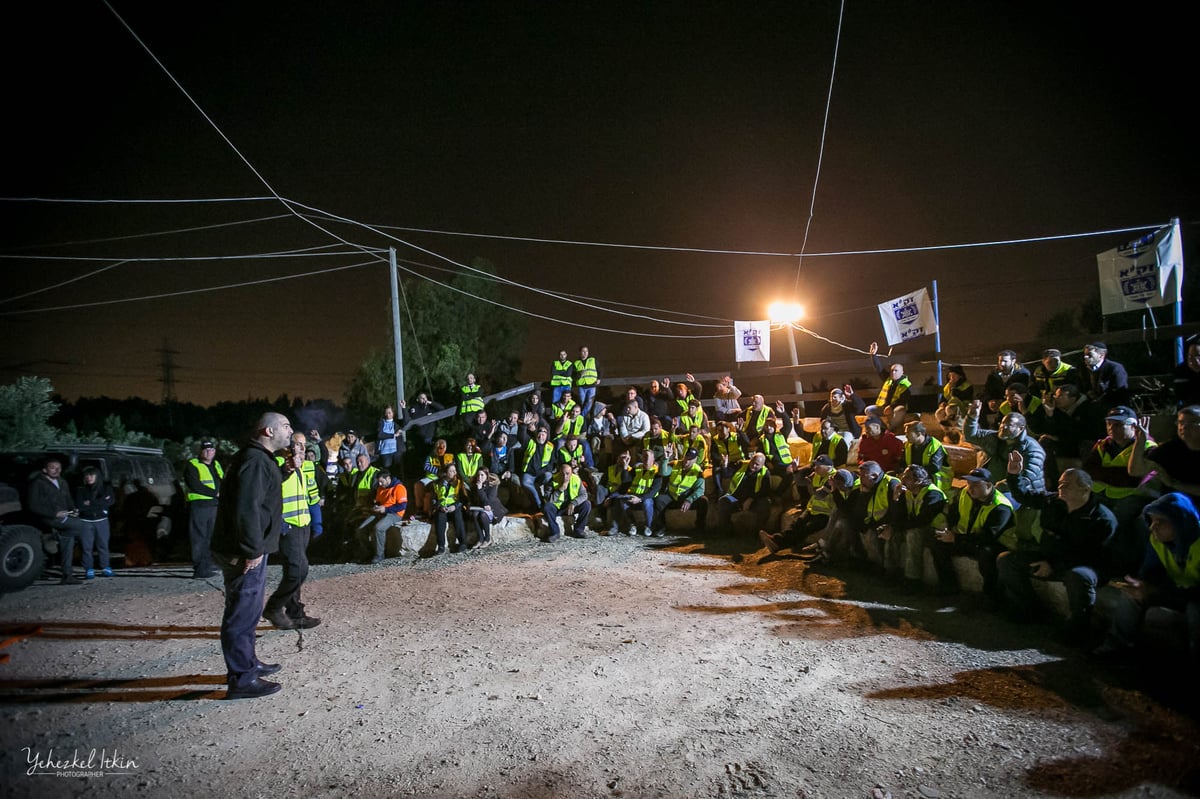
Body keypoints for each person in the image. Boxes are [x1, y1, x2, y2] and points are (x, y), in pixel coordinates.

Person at [210, 412, 293, 700]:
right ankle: (242, 679)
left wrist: (286, 471)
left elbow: (261, 492)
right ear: (267, 431)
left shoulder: (257, 459)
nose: (290, 431)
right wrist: (252, 549)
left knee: (249, 611)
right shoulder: (255, 460)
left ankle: (248, 664)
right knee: (241, 614)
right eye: (285, 426)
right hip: (243, 551)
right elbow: (247, 509)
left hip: (247, 548)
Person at [999, 455, 1117, 638]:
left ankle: (1078, 629)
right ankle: (1029, 609)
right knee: (1007, 560)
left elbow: (1090, 554)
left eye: (1067, 485)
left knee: (1079, 576)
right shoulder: (1055, 502)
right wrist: (1014, 475)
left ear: (1085, 488)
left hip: (1084, 564)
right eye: (1061, 483)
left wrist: (1054, 565)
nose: (1061, 488)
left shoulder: (1101, 519)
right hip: (1050, 557)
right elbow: (1026, 497)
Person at [1093, 492, 1200, 665]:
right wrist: (1142, 585)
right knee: (1131, 595)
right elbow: (1150, 572)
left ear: (1181, 521)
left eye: (1161, 522)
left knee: (1196, 611)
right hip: (1175, 591)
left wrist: (1159, 590)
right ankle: (1116, 648)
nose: (1152, 527)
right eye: (1151, 520)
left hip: (1194, 596)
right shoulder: (1158, 540)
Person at [1083, 405, 1157, 576]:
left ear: (1133, 426)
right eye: (1109, 424)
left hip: (1135, 496)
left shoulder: (1147, 446)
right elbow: (1089, 469)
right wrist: (1118, 475)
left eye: (1117, 425)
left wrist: (1104, 474)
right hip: (1104, 494)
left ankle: (1120, 568)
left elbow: (1133, 479)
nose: (1111, 429)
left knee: (1117, 520)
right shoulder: (1103, 445)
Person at [263, 432, 322, 631]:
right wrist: (287, 466)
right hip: (287, 525)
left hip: (303, 523)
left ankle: (295, 614)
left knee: (294, 570)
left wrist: (316, 522)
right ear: (289, 445)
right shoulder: (279, 462)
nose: (302, 448)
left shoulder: (307, 466)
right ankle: (275, 607)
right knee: (298, 569)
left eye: (304, 445)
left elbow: (311, 496)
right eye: (297, 444)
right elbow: (271, 486)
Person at [930, 468, 1015, 602]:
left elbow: (987, 537)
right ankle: (948, 586)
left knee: (987, 555)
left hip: (993, 544)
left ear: (988, 485)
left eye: (975, 485)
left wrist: (956, 538)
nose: (970, 488)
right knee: (938, 544)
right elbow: (953, 512)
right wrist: (949, 528)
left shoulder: (1000, 507)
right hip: (967, 539)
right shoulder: (965, 493)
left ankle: (992, 597)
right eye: (969, 484)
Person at [27, 456, 90, 584]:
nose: (56, 471)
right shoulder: (38, 483)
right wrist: (54, 514)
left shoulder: (62, 482)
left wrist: (74, 510)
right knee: (85, 526)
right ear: (45, 470)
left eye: (59, 468)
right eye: (53, 468)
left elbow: (68, 500)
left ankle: (67, 575)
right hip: (49, 518)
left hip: (65, 517)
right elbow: (32, 505)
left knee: (68, 542)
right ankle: (53, 537)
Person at [963, 400, 1046, 494]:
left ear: (1021, 428)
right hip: (991, 487)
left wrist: (997, 488)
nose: (1003, 427)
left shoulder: (1032, 448)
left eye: (1009, 425)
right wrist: (972, 418)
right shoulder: (995, 437)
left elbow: (1027, 477)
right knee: (966, 494)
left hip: (1021, 493)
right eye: (1002, 423)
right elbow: (971, 436)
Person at [761, 454, 837, 555]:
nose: (815, 468)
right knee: (797, 524)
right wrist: (796, 470)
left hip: (826, 514)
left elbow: (820, 494)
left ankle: (778, 543)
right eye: (815, 465)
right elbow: (800, 483)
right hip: (813, 509)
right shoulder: (817, 474)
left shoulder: (833, 478)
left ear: (829, 467)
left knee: (806, 529)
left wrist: (810, 486)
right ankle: (776, 540)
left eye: (819, 466)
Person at [891, 464, 948, 592]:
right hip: (916, 526)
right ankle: (891, 572)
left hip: (936, 531)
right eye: (903, 475)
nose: (903, 479)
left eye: (908, 477)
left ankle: (913, 580)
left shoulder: (933, 494)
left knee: (913, 534)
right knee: (892, 531)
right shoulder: (908, 493)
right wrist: (896, 499)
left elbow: (923, 520)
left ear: (919, 481)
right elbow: (898, 517)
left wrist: (901, 525)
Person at [1131, 405, 1200, 506]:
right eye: (1181, 423)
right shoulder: (1170, 449)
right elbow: (1135, 471)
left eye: (1192, 423)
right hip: (1171, 507)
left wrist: (1174, 484)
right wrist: (1140, 442)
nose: (1184, 427)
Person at [184, 439, 223, 579]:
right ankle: (199, 568)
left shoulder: (216, 465)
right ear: (200, 452)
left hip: (214, 505)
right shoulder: (192, 465)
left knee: (210, 537)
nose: (209, 452)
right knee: (199, 537)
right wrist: (216, 493)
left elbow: (221, 481)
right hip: (199, 505)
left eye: (211, 450)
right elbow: (195, 484)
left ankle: (208, 564)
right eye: (205, 450)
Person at [652, 448, 708, 536]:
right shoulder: (675, 464)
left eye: (690, 459)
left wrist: (689, 500)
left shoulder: (698, 471)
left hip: (685, 499)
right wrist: (666, 458)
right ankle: (661, 527)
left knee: (703, 501)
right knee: (659, 500)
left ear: (695, 460)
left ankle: (699, 529)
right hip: (672, 497)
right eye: (686, 457)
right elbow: (663, 473)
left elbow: (700, 490)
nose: (687, 461)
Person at [716, 453, 772, 537]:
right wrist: (724, 466)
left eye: (757, 464)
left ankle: (758, 534)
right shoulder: (741, 464)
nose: (753, 465)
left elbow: (765, 491)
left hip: (754, 501)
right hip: (735, 498)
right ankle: (727, 533)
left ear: (762, 465)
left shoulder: (765, 473)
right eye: (753, 462)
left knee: (765, 503)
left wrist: (751, 499)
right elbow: (727, 475)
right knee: (723, 502)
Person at [73, 465, 114, 579]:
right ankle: (89, 569)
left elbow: (110, 502)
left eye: (91, 475)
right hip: (85, 521)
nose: (89, 477)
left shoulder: (106, 488)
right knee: (86, 547)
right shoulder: (81, 490)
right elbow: (80, 506)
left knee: (103, 545)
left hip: (102, 520)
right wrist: (99, 503)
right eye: (87, 475)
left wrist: (90, 503)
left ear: (97, 476)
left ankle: (105, 567)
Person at [614, 449, 663, 537]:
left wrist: (640, 499)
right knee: (622, 501)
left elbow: (653, 491)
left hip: (648, 498)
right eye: (644, 456)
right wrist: (625, 467)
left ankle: (649, 526)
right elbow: (626, 482)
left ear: (653, 459)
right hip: (634, 495)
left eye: (647, 457)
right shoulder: (637, 469)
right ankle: (632, 524)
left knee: (647, 502)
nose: (645, 459)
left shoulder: (657, 472)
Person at [363, 469, 408, 563]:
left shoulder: (399, 488)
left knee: (379, 528)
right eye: (378, 481)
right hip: (381, 511)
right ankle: (367, 552)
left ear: (388, 479)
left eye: (381, 481)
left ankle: (380, 555)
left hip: (395, 514)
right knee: (361, 529)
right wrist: (376, 506)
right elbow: (379, 501)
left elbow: (402, 506)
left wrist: (386, 509)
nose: (380, 484)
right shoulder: (380, 488)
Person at [543, 462, 593, 541]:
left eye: (567, 474)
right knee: (547, 507)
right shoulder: (552, 480)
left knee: (587, 504)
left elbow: (584, 495)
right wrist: (560, 489)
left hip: (571, 507)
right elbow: (549, 499)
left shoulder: (576, 479)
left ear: (571, 473)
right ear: (559, 472)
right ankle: (555, 532)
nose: (565, 476)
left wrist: (574, 503)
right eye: (562, 474)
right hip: (557, 507)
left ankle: (579, 530)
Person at [902, 420, 952, 494]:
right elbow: (903, 462)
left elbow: (934, 468)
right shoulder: (908, 445)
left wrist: (913, 476)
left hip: (936, 483)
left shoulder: (935, 446)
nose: (906, 436)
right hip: (915, 479)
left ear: (919, 434)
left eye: (908, 433)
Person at [597, 449, 635, 534]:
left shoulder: (630, 471)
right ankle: (601, 514)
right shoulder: (611, 468)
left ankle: (614, 526)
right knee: (599, 488)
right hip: (609, 491)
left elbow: (624, 489)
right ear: (617, 458)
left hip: (620, 493)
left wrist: (611, 497)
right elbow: (603, 483)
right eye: (622, 457)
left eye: (626, 458)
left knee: (617, 499)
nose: (623, 460)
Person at [432, 462, 467, 554]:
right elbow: (434, 499)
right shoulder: (436, 484)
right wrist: (440, 507)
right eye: (451, 471)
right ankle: (441, 546)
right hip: (442, 508)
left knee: (458, 516)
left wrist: (454, 506)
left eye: (455, 471)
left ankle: (462, 543)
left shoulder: (459, 482)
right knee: (439, 518)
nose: (454, 473)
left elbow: (464, 499)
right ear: (445, 473)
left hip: (455, 507)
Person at [1082, 342, 1131, 408]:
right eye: (1085, 354)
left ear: (1101, 355)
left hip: (1112, 406)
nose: (1085, 357)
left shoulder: (1115, 368)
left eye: (1090, 355)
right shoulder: (1082, 368)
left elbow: (1120, 392)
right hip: (1090, 406)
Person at [868, 342, 911, 416]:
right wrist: (873, 355)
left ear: (902, 372)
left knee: (898, 411)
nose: (893, 372)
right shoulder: (888, 379)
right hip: (883, 408)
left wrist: (891, 407)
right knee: (869, 410)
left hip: (896, 410)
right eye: (892, 370)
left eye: (896, 370)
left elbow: (903, 400)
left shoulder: (905, 384)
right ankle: (881, 425)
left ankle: (889, 427)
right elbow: (879, 369)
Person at [465, 469, 506, 548]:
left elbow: (488, 502)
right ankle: (480, 539)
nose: (479, 477)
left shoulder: (492, 486)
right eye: (478, 475)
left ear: (487, 476)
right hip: (480, 508)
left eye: (482, 475)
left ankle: (487, 538)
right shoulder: (475, 486)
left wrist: (480, 490)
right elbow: (475, 500)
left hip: (493, 510)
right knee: (475, 514)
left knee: (482, 515)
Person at [414, 439, 453, 518]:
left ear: (445, 448)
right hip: (431, 477)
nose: (440, 449)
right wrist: (438, 471)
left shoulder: (450, 457)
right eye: (438, 447)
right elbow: (426, 466)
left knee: (432, 491)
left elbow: (452, 467)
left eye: (442, 447)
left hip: (444, 478)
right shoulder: (431, 456)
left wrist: (445, 472)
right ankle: (420, 508)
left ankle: (430, 510)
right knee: (418, 485)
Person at [520, 427, 557, 510]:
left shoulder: (550, 446)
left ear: (547, 436)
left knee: (549, 475)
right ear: (536, 435)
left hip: (541, 473)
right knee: (525, 482)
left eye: (544, 433)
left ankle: (547, 500)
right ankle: (539, 504)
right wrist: (523, 425)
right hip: (529, 472)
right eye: (539, 433)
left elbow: (551, 464)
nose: (541, 436)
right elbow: (521, 436)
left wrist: (541, 471)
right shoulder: (530, 442)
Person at [573, 345, 600, 417]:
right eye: (583, 351)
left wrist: (599, 378)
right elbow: (573, 375)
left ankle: (582, 417)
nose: (585, 353)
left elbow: (600, 370)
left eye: (586, 351)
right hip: (581, 386)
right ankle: (584, 417)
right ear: (580, 352)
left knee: (589, 403)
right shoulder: (576, 363)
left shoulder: (593, 360)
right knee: (582, 402)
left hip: (592, 385)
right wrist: (580, 374)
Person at [1173, 338, 1200, 408]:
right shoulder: (1181, 371)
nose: (1193, 361)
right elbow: (1181, 395)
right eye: (1190, 356)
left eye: (1198, 356)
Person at [375, 405, 402, 469]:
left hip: (395, 451)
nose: (388, 415)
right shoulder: (381, 422)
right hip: (385, 452)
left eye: (389, 413)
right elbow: (380, 435)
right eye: (386, 413)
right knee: (387, 470)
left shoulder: (395, 424)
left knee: (396, 470)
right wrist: (393, 435)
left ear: (393, 413)